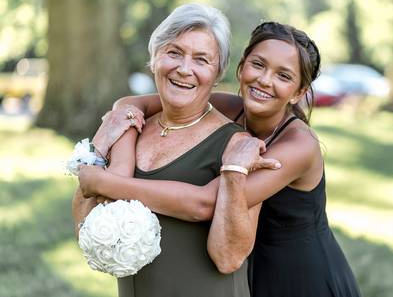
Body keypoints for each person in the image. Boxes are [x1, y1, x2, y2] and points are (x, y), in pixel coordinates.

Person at [79, 22, 362, 297]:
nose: (265, 80)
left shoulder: (298, 145)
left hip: (300, 274)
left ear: (299, 92)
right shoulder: (229, 106)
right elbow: (130, 104)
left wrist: (104, 182)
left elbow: (205, 203)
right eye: (258, 65)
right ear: (241, 67)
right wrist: (122, 163)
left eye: (284, 76)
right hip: (250, 265)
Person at [72, 3, 278, 297]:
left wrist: (109, 184)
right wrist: (100, 144)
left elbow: (229, 257)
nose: (184, 69)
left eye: (201, 60)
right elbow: (84, 227)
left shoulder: (236, 146)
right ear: (154, 58)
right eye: (174, 52)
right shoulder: (130, 128)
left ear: (217, 73)